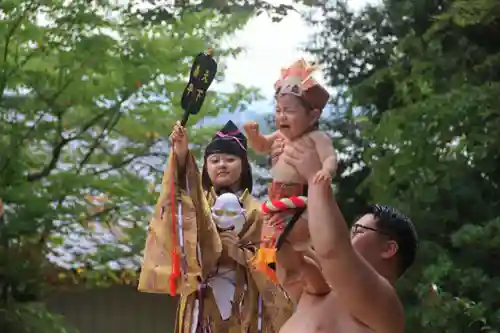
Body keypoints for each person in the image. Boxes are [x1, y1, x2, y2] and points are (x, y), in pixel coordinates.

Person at [138, 120, 293, 333]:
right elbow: (179, 195)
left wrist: (242, 255)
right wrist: (181, 155)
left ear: (244, 165)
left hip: (245, 303)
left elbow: (279, 268)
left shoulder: (259, 213)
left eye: (230, 159)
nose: (222, 165)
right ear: (205, 167)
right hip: (202, 301)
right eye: (214, 160)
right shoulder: (197, 209)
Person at [271, 136, 419, 333]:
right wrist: (287, 175)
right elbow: (285, 249)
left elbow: (332, 250)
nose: (348, 238)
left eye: (358, 231)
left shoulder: (384, 304)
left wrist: (316, 177)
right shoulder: (318, 288)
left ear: (388, 248)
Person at [243, 59, 337, 281]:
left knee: (285, 246)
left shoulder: (316, 138)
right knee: (284, 248)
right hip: (276, 198)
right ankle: (278, 278)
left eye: (290, 111)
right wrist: (253, 136)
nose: (282, 116)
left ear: (312, 116)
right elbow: (262, 146)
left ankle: (284, 276)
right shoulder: (280, 136)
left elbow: (330, 158)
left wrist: (325, 171)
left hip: (301, 199)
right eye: (278, 110)